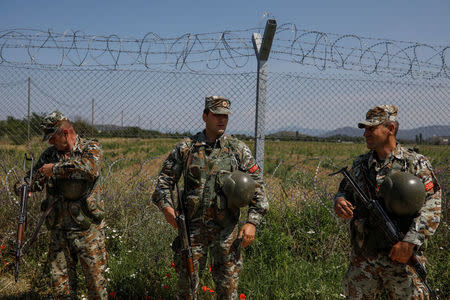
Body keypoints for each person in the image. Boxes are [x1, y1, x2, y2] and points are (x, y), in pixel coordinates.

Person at [152, 96, 268, 299]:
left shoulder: (237, 150)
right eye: (217, 115)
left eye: (225, 116)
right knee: (187, 291)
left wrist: (252, 222)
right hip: (192, 233)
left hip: (226, 234)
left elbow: (258, 187)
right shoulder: (186, 149)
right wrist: (167, 209)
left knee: (228, 291)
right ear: (205, 116)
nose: (222, 120)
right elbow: (164, 182)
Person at [334, 105, 441, 299]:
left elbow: (432, 206)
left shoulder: (415, 163)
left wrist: (410, 242)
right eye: (364, 129)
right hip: (364, 262)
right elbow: (345, 191)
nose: (365, 134)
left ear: (390, 129)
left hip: (401, 260)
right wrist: (340, 200)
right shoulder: (361, 163)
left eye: (371, 128)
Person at [16, 111, 108, 300]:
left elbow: (90, 169)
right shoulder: (50, 155)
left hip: (87, 231)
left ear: (64, 133)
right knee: (61, 290)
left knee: (96, 288)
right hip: (59, 231)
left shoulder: (90, 147)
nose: (49, 143)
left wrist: (55, 169)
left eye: (51, 138)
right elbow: (31, 179)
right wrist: (23, 187)